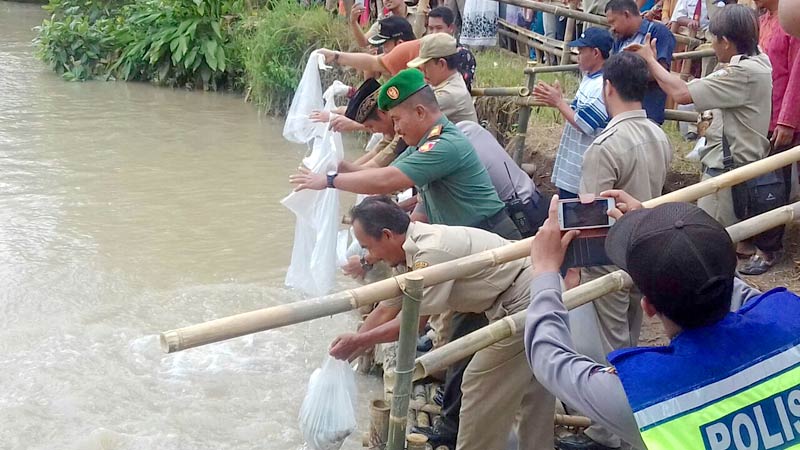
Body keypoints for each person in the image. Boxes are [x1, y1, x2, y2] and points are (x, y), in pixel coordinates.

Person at [524, 191, 799, 450]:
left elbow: (549, 357)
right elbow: (730, 284)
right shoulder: (791, 318)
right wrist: (660, 240)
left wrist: (546, 271)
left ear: (649, 307)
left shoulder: (641, 396)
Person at [330, 196, 555, 450]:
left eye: (368, 247)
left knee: (477, 384)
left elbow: (411, 323)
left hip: (523, 298)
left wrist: (360, 341)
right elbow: (386, 308)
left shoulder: (430, 254)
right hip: (525, 289)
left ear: (387, 235)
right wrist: (350, 349)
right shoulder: (409, 252)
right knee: (534, 390)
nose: (369, 257)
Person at [562, 51, 672, 450]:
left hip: (608, 257)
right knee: (632, 339)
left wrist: (573, 268)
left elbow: (589, 217)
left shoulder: (604, 146)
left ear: (608, 87)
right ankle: (633, 420)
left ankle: (609, 432)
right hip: (645, 249)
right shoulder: (659, 135)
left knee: (607, 347)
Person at [627, 5, 771, 229]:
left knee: (712, 238)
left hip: (727, 172)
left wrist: (651, 62)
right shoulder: (758, 61)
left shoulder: (742, 73)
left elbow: (682, 94)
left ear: (725, 41)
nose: (711, 45)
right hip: (733, 167)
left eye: (713, 39)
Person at [741, 0, 800, 275]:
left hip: (784, 116)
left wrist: (787, 119)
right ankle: (758, 236)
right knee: (763, 182)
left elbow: (797, 74)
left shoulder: (791, 21)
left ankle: (769, 248)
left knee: (772, 187)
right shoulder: (762, 20)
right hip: (762, 113)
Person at [533, 27, 612, 200]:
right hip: (573, 166)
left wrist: (559, 102)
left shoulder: (601, 85)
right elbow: (575, 114)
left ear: (596, 53)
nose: (577, 55)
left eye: (581, 51)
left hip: (582, 170)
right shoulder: (589, 77)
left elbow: (585, 124)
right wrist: (559, 102)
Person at [606, 0, 676, 125]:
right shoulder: (620, 38)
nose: (612, 28)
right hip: (620, 113)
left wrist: (626, 73)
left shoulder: (658, 32)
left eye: (613, 22)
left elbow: (660, 73)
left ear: (626, 14)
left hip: (647, 115)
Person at [407, 33, 479, 124]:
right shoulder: (451, 80)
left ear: (441, 64)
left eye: (425, 68)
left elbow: (410, 118)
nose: (423, 73)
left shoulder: (448, 94)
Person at [318, 17, 421, 78]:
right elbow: (372, 63)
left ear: (399, 43)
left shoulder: (420, 65)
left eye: (385, 45)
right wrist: (335, 55)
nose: (383, 49)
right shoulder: (400, 58)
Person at [427, 6, 477, 91]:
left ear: (451, 28)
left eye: (439, 28)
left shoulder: (463, 55)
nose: (434, 33)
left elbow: (460, 87)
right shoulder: (426, 51)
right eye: (431, 29)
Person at [350, 0, 425, 49]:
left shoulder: (420, 14)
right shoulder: (384, 21)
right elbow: (364, 42)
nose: (386, 0)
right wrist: (354, 22)